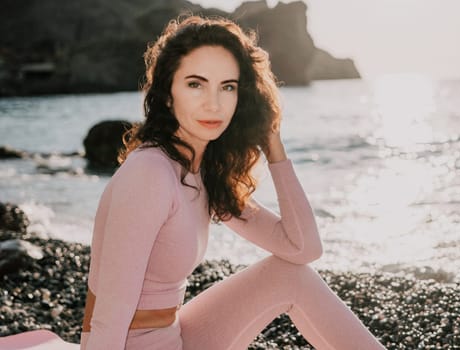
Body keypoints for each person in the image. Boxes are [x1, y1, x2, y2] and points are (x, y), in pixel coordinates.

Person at [80, 15, 385, 350]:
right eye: (195, 84)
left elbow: (303, 249)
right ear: (167, 94)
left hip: (174, 334)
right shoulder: (149, 173)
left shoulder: (204, 171)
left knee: (290, 276)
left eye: (227, 87)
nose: (213, 103)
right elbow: (109, 315)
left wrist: (274, 149)